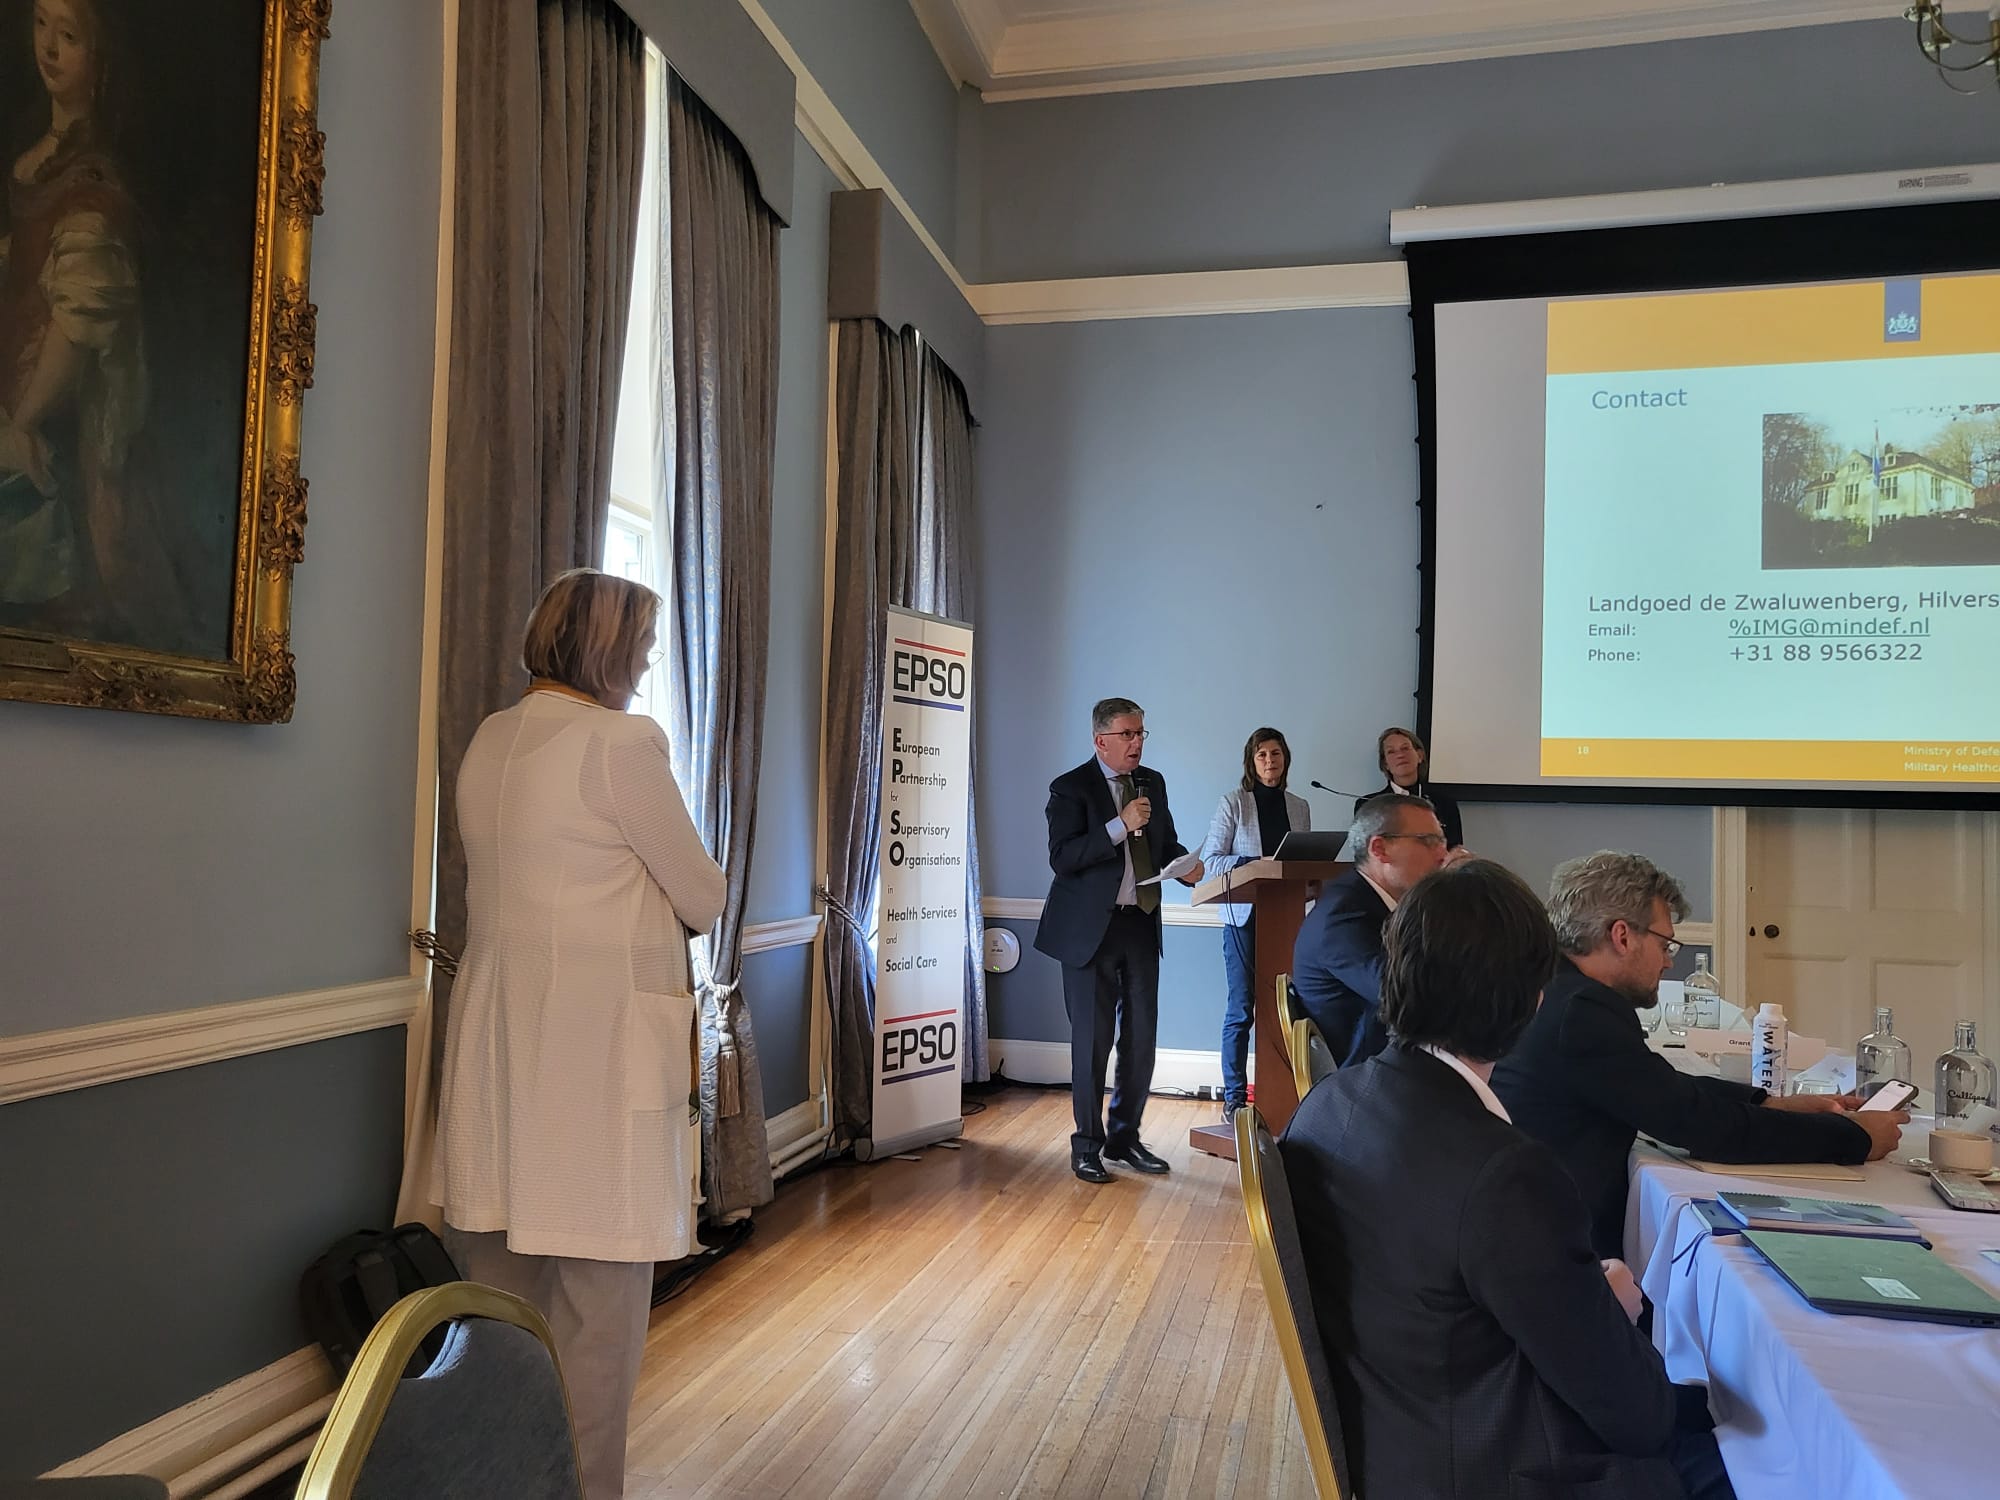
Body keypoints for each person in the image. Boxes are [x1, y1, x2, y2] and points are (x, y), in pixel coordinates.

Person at [434, 569, 725, 1500]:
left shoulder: (490, 737)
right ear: (607, 649)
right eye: (641, 644)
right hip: (595, 1053)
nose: (647, 661)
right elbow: (704, 896)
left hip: (499, 1049)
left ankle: (505, 1483)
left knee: (502, 1305)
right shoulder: (621, 744)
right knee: (599, 1315)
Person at [1280, 860, 1691, 1500]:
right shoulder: (1504, 1174)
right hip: (1493, 1468)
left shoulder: (1328, 1103)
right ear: (1532, 1000)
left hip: (1396, 1446)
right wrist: (1611, 1310)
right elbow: (1641, 1419)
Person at [1493, 851, 1907, 1259]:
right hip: (1556, 1247)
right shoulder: (1582, 1011)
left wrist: (1769, 1102)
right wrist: (1855, 1138)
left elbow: (1657, 1084)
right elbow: (1703, 1127)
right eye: (1665, 945)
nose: (1668, 963)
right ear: (1622, 936)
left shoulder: (1556, 989)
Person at [0, 0, 189, 650]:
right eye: (40, 24)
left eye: (70, 35)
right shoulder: (38, 158)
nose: (48, 48)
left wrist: (22, 423)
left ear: (101, 57)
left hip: (59, 416)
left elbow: (76, 322)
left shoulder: (94, 186)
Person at [1035, 697, 1203, 1183]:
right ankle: (1087, 1145)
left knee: (1140, 1040)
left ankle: (1124, 1139)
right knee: (1092, 1043)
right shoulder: (1070, 787)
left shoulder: (1152, 783)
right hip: (1089, 933)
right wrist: (1118, 825)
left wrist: (1185, 867)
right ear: (1100, 740)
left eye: (1141, 733)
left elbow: (1163, 842)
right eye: (1127, 734)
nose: (1136, 743)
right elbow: (1063, 858)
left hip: (1140, 924)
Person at [1291, 794, 1455, 1068]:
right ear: (1379, 848)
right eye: (1428, 841)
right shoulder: (1342, 916)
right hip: (1370, 1076)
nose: (1443, 855)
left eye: (1442, 840)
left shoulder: (1378, 903)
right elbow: (1406, 1000)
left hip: (1399, 1060)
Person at [1198, 726, 1310, 1121]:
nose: (1269, 761)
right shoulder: (1234, 803)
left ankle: (1287, 1097)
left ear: (1285, 759)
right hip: (1243, 919)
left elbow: (1301, 865)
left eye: (1276, 753)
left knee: (1287, 1008)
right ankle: (1234, 1100)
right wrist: (1254, 864)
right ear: (1251, 761)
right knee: (1241, 1008)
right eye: (1262, 754)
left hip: (1286, 919)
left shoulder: (1299, 806)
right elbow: (1211, 861)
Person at [1355, 726, 1463, 849]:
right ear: (1385, 764)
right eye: (1391, 752)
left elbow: (1455, 851)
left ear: (1420, 756)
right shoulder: (1368, 805)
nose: (1400, 755)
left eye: (1405, 748)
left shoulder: (1445, 803)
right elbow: (1364, 853)